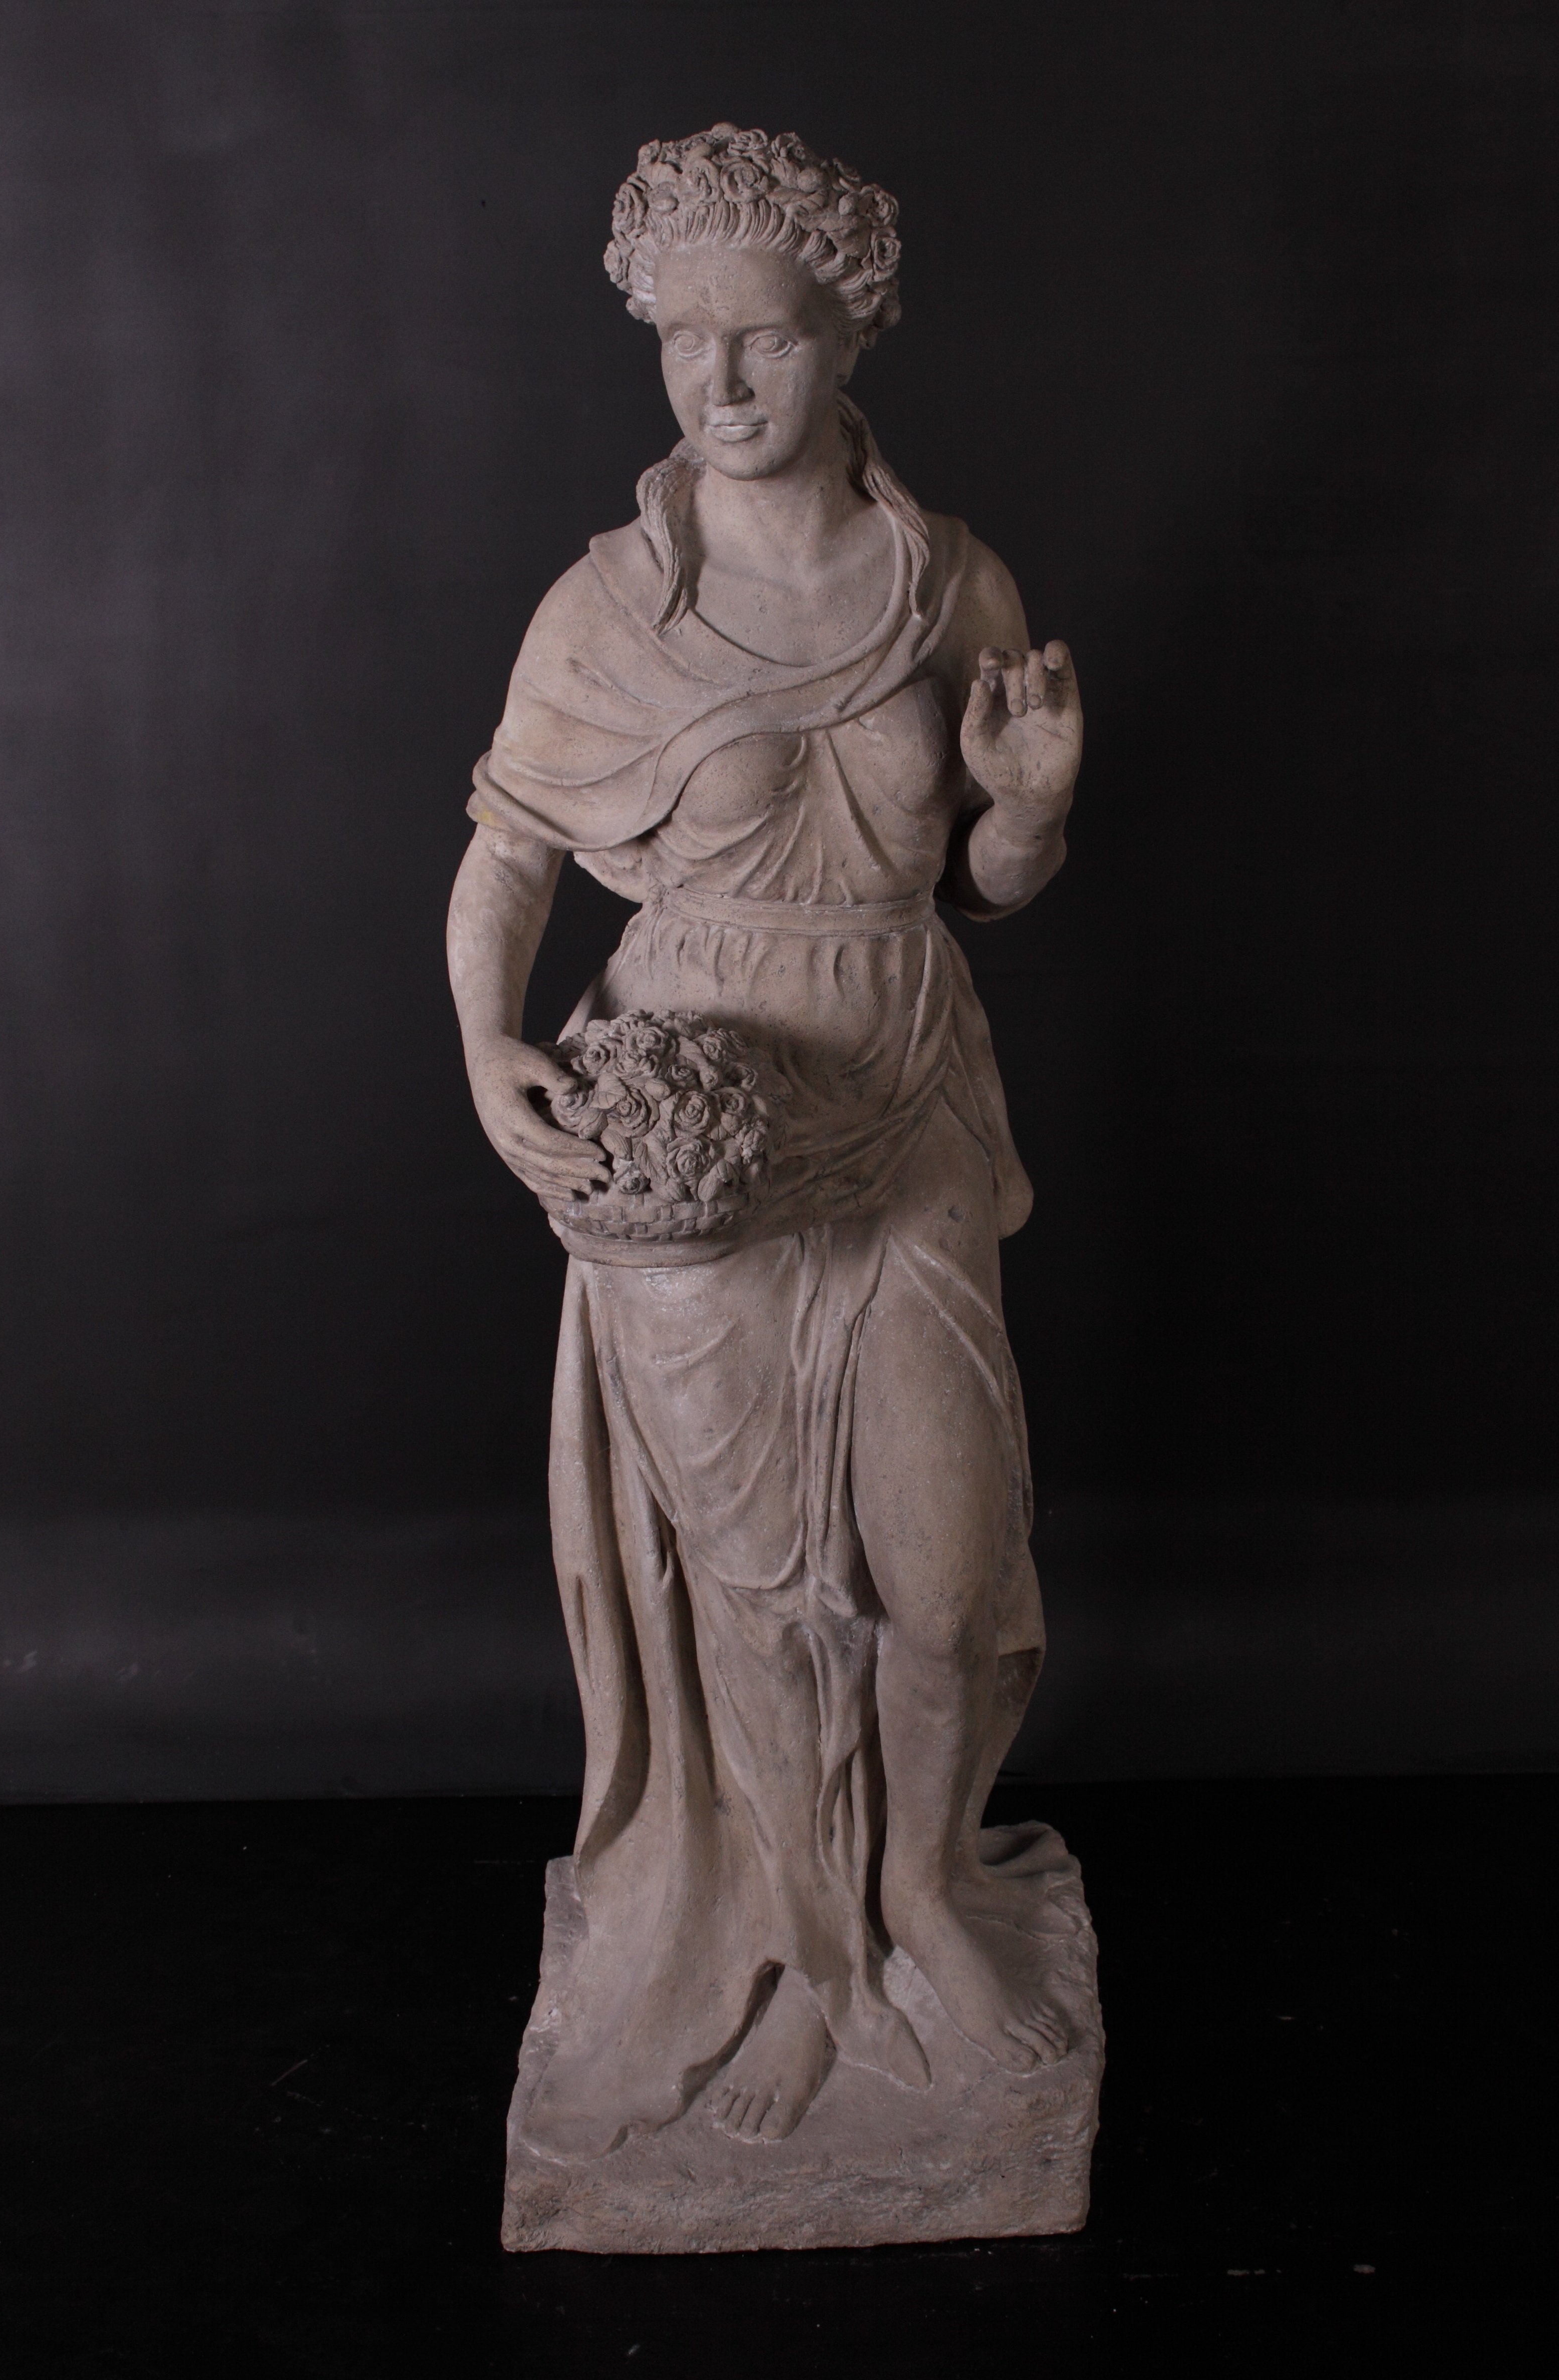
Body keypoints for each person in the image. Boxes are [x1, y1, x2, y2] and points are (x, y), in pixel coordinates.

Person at [447, 127, 1083, 2158]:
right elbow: (508, 856)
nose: (722, 383)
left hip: (899, 1094)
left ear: (851, 334)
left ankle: (927, 1891)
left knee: (942, 1572)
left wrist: (1028, 809)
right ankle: (812, 1964)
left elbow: (981, 882)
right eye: (686, 342)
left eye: (770, 341)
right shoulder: (606, 610)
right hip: (693, 1129)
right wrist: (484, 1047)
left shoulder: (948, 581)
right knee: (768, 1599)